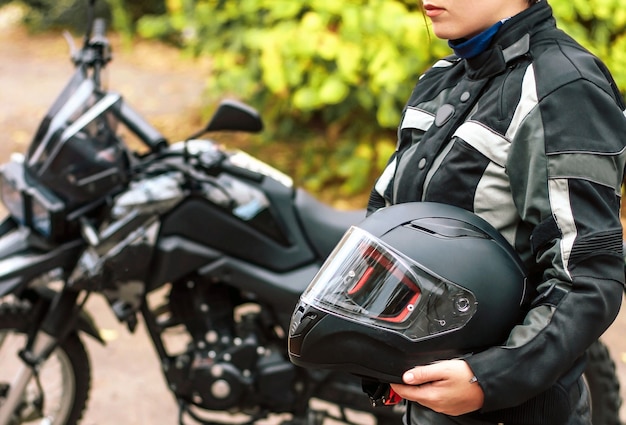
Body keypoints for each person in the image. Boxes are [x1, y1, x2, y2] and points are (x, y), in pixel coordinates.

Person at [367, 0, 626, 423]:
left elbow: (589, 276)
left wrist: (486, 378)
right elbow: (388, 225)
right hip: (429, 405)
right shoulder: (439, 79)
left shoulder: (565, 85)